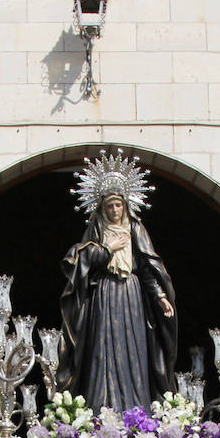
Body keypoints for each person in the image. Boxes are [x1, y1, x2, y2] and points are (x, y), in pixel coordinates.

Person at [58, 149, 177, 411]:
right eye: (109, 205)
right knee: (103, 349)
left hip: (132, 295)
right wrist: (106, 249)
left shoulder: (135, 228)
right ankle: (102, 406)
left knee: (133, 350)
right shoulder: (97, 229)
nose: (114, 210)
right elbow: (82, 261)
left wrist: (159, 296)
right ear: (101, 206)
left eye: (118, 204)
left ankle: (137, 407)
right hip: (104, 293)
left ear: (125, 204)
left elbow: (147, 267)